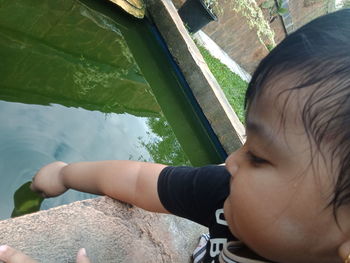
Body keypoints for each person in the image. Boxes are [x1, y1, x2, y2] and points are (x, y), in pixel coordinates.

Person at [1, 8, 350, 263]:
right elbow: (141, 181)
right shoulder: (228, 194)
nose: (230, 161)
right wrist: (65, 173)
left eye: (259, 156)